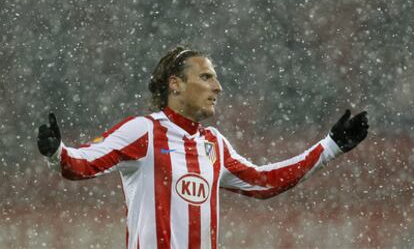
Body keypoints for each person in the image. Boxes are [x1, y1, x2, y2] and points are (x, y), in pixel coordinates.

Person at [37, 46, 369, 249]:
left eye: (216, 78)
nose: (218, 87)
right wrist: (57, 152)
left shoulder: (214, 144)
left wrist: (331, 146)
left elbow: (264, 182)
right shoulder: (143, 131)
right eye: (207, 77)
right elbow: (80, 165)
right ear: (176, 85)